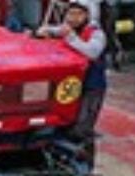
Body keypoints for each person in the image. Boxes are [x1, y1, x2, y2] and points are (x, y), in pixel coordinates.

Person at [36, 1, 107, 164]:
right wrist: (45, 31)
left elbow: (92, 52)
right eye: (71, 14)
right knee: (63, 121)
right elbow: (52, 30)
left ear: (87, 16)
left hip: (91, 87)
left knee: (83, 127)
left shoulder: (96, 34)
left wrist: (71, 38)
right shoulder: (66, 29)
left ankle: (85, 161)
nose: (74, 18)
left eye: (78, 14)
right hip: (70, 86)